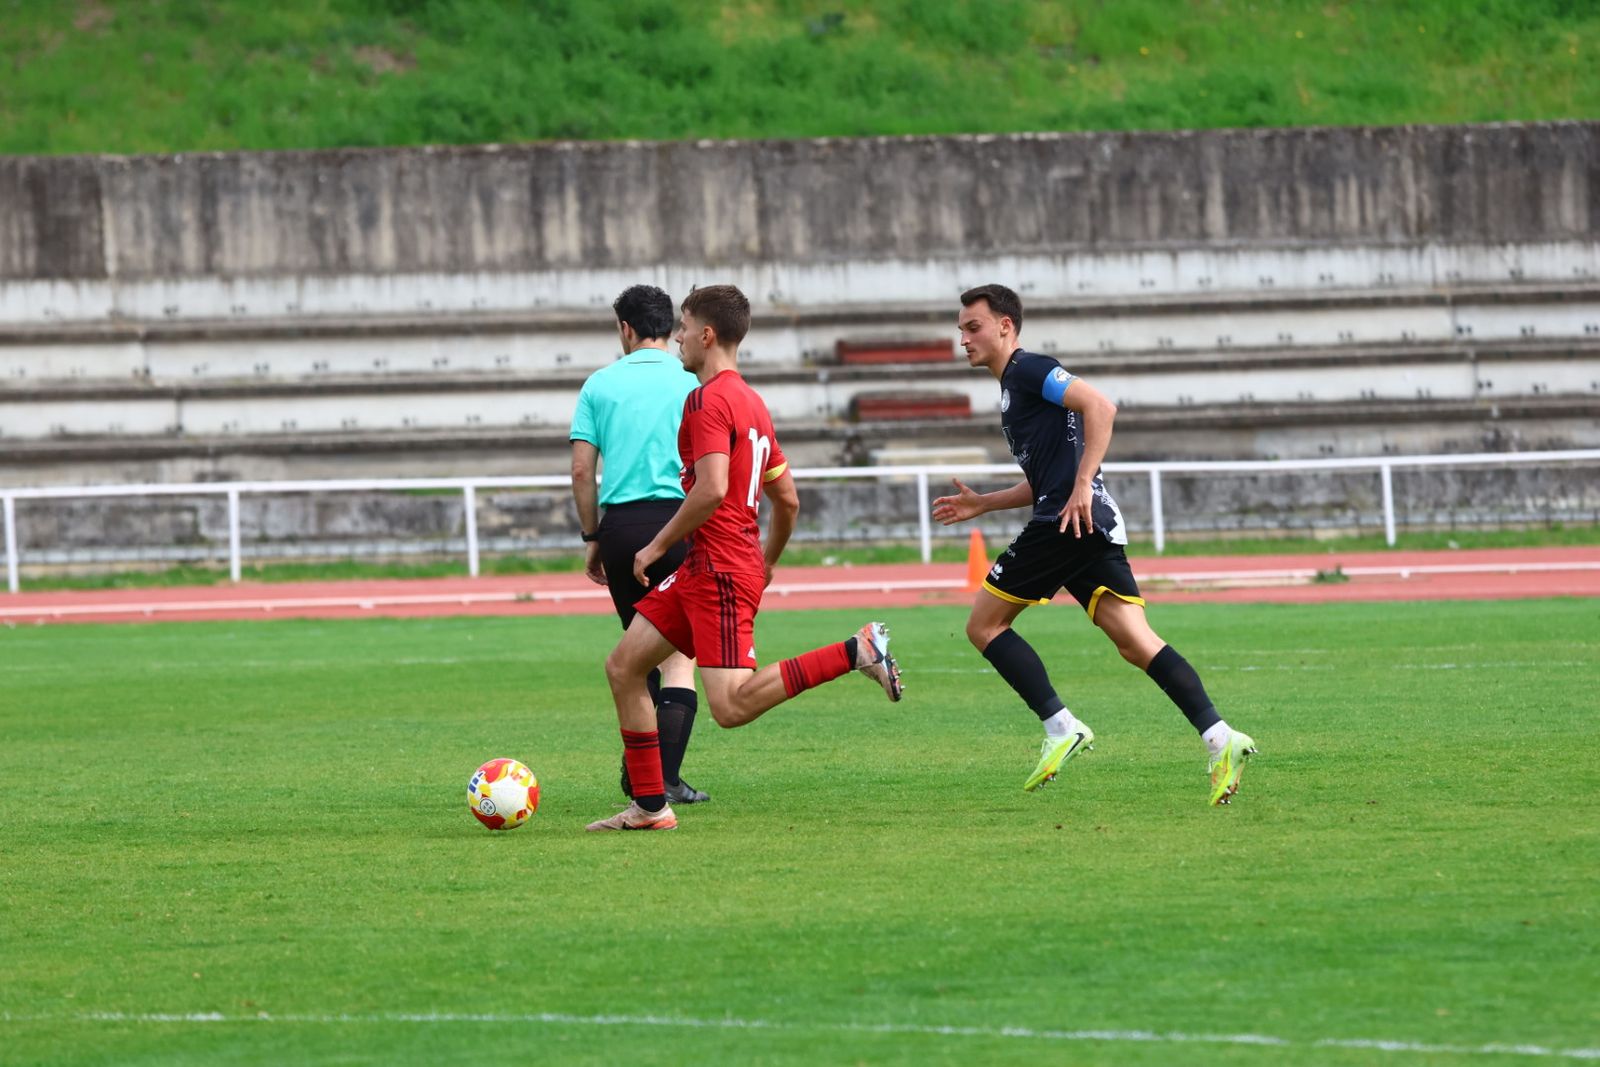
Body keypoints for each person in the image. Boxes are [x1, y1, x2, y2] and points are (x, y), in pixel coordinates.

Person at [586, 284, 904, 832]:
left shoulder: (707, 401)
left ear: (707, 335)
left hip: (719, 570)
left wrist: (657, 545)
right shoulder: (752, 403)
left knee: (730, 707)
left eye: (685, 327)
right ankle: (650, 807)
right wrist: (768, 560)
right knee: (623, 667)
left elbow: (711, 489)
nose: (678, 338)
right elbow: (788, 499)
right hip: (707, 567)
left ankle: (858, 650)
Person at [931, 284, 1258, 805]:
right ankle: (1222, 739)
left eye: (973, 327)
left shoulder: (1028, 369)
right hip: (1089, 523)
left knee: (984, 626)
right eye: (961, 330)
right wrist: (985, 503)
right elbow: (1045, 477)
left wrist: (1083, 483)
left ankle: (1061, 727)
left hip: (1064, 521)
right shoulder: (1013, 389)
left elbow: (1101, 406)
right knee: (1136, 642)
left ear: (1005, 327)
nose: (964, 339)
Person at [570, 284, 708, 806]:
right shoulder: (693, 380)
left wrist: (592, 536)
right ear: (670, 327)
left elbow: (582, 471)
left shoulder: (599, 384)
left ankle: (645, 774)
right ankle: (660, 780)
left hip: (622, 528)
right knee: (679, 659)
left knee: (637, 656)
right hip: (681, 521)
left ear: (625, 328)